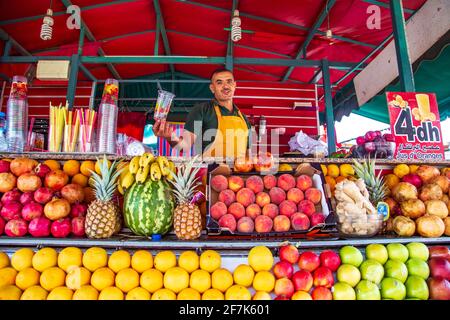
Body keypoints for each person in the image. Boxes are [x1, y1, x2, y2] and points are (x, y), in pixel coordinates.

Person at [152, 67, 252, 160]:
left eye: (229, 82)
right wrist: (170, 137)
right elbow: (184, 146)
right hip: (211, 176)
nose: (225, 86)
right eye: (219, 83)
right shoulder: (201, 111)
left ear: (234, 85)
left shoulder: (244, 119)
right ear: (212, 88)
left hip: (239, 176)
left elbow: (249, 155)